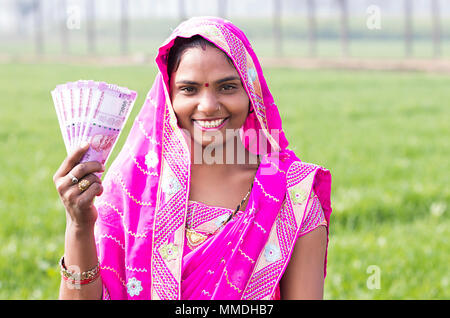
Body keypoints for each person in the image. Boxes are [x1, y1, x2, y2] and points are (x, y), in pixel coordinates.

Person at [53, 16, 332, 300]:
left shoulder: (292, 196)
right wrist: (78, 225)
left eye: (227, 87)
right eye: (189, 89)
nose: (209, 106)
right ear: (168, 97)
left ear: (251, 92)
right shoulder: (129, 187)